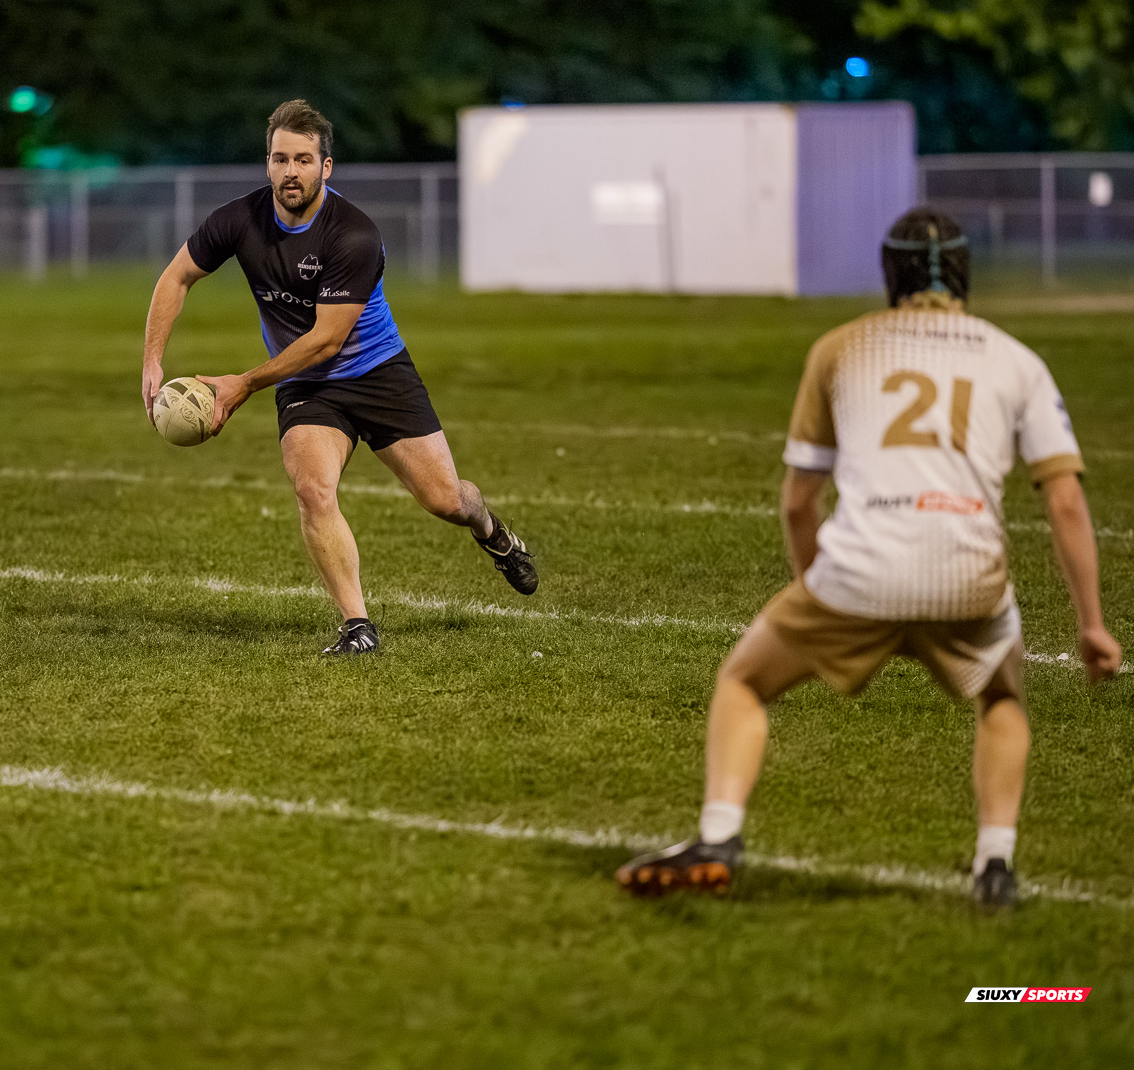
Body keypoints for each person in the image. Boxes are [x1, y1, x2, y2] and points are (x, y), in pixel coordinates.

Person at [616, 208, 1121, 910]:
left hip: (859, 569)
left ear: (890, 273)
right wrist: (1091, 624)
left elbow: (800, 503)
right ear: (964, 273)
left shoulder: (841, 348)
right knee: (1002, 699)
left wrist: (818, 593)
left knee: (743, 681)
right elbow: (1064, 501)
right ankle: (995, 865)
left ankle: (719, 835)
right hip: (969, 577)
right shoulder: (1016, 360)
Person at [141, 99, 539, 655]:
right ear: (267, 163)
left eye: (303, 160)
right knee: (312, 489)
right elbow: (176, 277)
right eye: (280, 159)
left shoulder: (353, 234)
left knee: (447, 500)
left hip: (377, 372)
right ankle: (358, 625)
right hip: (306, 384)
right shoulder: (238, 219)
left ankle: (493, 533)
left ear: (326, 167)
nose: (290, 172)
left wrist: (244, 383)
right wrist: (153, 360)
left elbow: (327, 339)